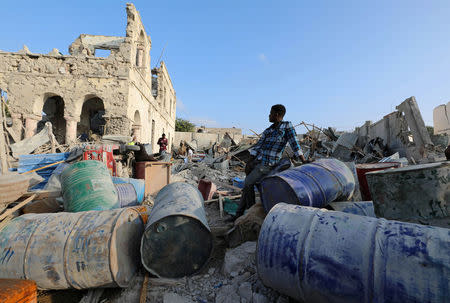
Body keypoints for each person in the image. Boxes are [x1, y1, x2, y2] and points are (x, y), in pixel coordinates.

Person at [231, 104, 308, 221]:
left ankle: (251, 212)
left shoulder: (286, 126)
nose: (268, 115)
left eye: (270, 113)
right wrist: (249, 163)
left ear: (277, 115)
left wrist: (303, 160)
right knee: (247, 187)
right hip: (258, 162)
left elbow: (295, 144)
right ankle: (239, 213)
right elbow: (258, 146)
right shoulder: (268, 130)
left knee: (247, 183)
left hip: (268, 164)